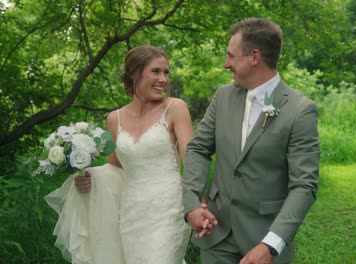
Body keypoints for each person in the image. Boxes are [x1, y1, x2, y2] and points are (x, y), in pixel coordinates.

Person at [181, 18, 320, 264]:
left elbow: (304, 186)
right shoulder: (223, 96)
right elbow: (199, 149)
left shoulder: (300, 110)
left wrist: (271, 244)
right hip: (216, 235)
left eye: (231, 56)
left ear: (254, 57)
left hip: (263, 240)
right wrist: (192, 204)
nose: (226, 64)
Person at [49, 45, 193, 263]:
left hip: (169, 210)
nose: (163, 79)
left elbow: (192, 160)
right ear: (135, 73)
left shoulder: (175, 108)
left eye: (166, 72)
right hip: (131, 213)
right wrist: (88, 178)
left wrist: (198, 204)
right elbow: (115, 167)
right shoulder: (114, 119)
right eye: (155, 71)